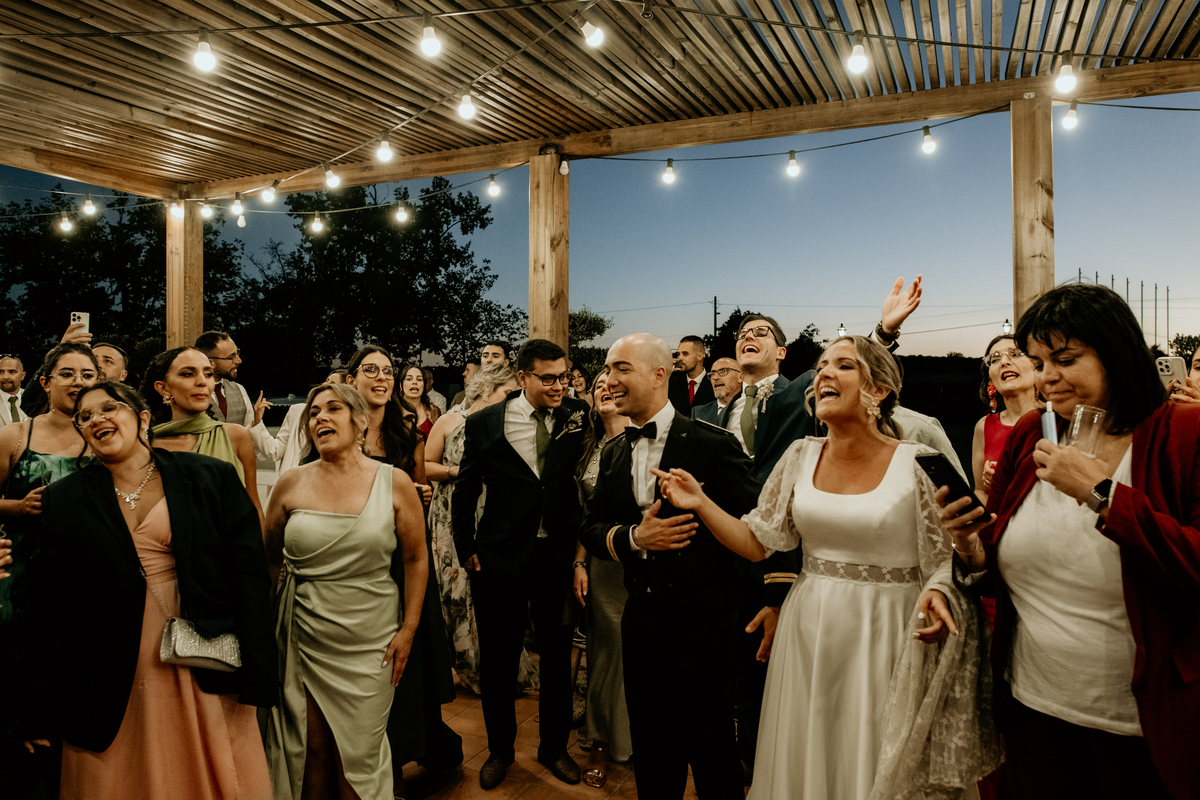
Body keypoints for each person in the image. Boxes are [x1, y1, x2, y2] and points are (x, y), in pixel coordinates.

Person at [653, 335, 976, 799]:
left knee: (874, 752)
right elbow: (757, 542)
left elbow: (947, 556)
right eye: (822, 365)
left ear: (879, 389)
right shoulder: (800, 455)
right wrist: (701, 503)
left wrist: (942, 589)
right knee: (810, 751)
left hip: (887, 630)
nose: (823, 373)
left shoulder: (919, 463)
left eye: (842, 365)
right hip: (809, 627)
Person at [940, 283, 1200, 800]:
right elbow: (1006, 564)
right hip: (1035, 711)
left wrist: (1102, 493)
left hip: (1142, 722)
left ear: (1117, 351)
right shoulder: (1031, 431)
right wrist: (970, 545)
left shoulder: (1183, 433)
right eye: (1038, 361)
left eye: (1064, 358)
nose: (1046, 377)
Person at [21, 381, 276, 800]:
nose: (97, 419)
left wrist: (260, 671)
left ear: (142, 418)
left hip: (201, 653)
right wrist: (36, 706)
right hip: (106, 666)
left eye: (109, 408)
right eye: (85, 417)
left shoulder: (209, 477)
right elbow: (51, 607)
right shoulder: (64, 500)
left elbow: (248, 575)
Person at [579, 333, 760, 799]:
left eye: (622, 368)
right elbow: (592, 527)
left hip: (707, 625)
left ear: (660, 374)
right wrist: (635, 538)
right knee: (653, 750)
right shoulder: (615, 452)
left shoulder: (712, 444)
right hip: (641, 622)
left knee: (713, 749)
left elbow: (762, 531)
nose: (609, 379)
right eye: (607, 368)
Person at [264, 382, 427, 800]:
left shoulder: (395, 482)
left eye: (332, 408)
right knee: (314, 749)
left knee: (361, 753)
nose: (320, 417)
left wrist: (408, 630)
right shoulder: (291, 484)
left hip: (371, 638)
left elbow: (415, 559)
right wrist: (266, 627)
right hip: (304, 633)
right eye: (313, 413)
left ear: (359, 421)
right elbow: (269, 559)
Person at [452, 338, 589, 790]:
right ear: (523, 377)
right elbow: (467, 487)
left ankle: (553, 748)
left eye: (563, 377)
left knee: (556, 657)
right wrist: (465, 543)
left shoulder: (577, 416)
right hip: (498, 556)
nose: (557, 386)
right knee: (499, 659)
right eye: (547, 378)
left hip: (555, 556)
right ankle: (500, 751)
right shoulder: (486, 422)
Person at [343, 346, 458, 785]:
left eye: (387, 371)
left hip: (395, 554)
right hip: (349, 555)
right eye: (370, 369)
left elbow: (420, 494)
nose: (382, 377)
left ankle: (400, 747)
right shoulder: (332, 423)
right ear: (351, 376)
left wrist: (419, 493)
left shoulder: (407, 431)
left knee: (396, 655)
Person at [0, 343, 98, 798]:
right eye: (68, 374)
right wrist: (16, 507)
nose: (78, 382)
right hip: (21, 572)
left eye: (87, 374)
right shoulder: (15, 437)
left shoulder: (103, 435)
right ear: (45, 382)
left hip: (85, 575)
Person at [423, 364, 536, 694]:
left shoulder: (507, 427)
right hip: (450, 513)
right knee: (457, 590)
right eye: (507, 393)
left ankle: (498, 669)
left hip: (492, 515)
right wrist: (461, 472)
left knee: (489, 591)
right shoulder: (450, 421)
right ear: (487, 390)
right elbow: (428, 466)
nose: (511, 400)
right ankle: (465, 666)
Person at [572, 371, 632, 788]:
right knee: (605, 650)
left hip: (643, 561)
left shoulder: (649, 438)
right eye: (598, 386)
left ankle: (629, 738)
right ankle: (599, 739)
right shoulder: (588, 448)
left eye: (613, 384)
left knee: (637, 653)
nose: (606, 389)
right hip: (600, 563)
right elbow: (584, 517)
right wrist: (578, 563)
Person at [140, 346, 264, 523]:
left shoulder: (237, 436)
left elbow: (254, 508)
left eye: (208, 374)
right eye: (188, 374)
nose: (202, 382)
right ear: (163, 388)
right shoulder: (144, 445)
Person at [972, 335, 1041, 502]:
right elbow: (981, 492)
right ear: (991, 379)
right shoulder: (984, 426)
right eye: (994, 359)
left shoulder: (1058, 418)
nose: (1004, 362)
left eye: (1016, 354)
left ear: (1037, 366)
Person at [251, 370, 345, 476]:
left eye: (332, 383)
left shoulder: (345, 421)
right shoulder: (297, 411)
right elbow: (275, 451)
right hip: (292, 484)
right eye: (326, 380)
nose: (324, 384)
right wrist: (257, 420)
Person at [195, 330, 255, 427]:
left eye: (237, 353)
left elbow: (250, 431)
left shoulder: (240, 389)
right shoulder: (193, 393)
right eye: (231, 357)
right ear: (210, 362)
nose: (239, 361)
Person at [668, 335, 714, 414]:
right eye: (678, 354)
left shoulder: (714, 382)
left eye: (685, 354)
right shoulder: (671, 382)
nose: (680, 358)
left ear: (699, 356)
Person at [692, 357, 740, 425]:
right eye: (712, 374)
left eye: (723, 371)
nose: (715, 377)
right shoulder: (698, 413)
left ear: (740, 377)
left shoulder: (752, 408)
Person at [401, 363, 441, 438]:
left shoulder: (434, 412)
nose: (414, 382)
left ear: (423, 385)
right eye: (409, 379)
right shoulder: (392, 412)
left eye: (419, 379)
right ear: (401, 385)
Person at [1, 355, 28, 427]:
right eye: (1, 372)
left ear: (22, 375)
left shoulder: (35, 399)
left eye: (12, 372)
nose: (5, 377)